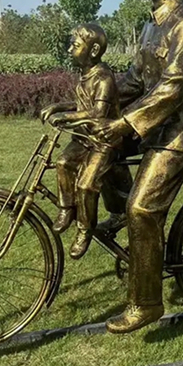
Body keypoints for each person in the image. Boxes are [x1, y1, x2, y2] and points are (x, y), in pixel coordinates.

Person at [93, 0, 183, 334]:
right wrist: (96, 109)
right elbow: (135, 80)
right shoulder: (153, 23)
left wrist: (126, 123)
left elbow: (174, 87)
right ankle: (118, 213)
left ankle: (146, 303)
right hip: (157, 124)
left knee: (143, 209)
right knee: (99, 148)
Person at [40, 23, 130, 260]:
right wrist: (58, 106)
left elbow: (98, 113)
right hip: (85, 137)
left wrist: (66, 117)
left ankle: (85, 229)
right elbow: (83, 106)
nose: (70, 49)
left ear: (93, 50)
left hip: (105, 140)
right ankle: (66, 209)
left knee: (86, 185)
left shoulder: (103, 77)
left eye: (75, 45)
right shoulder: (85, 75)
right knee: (63, 163)